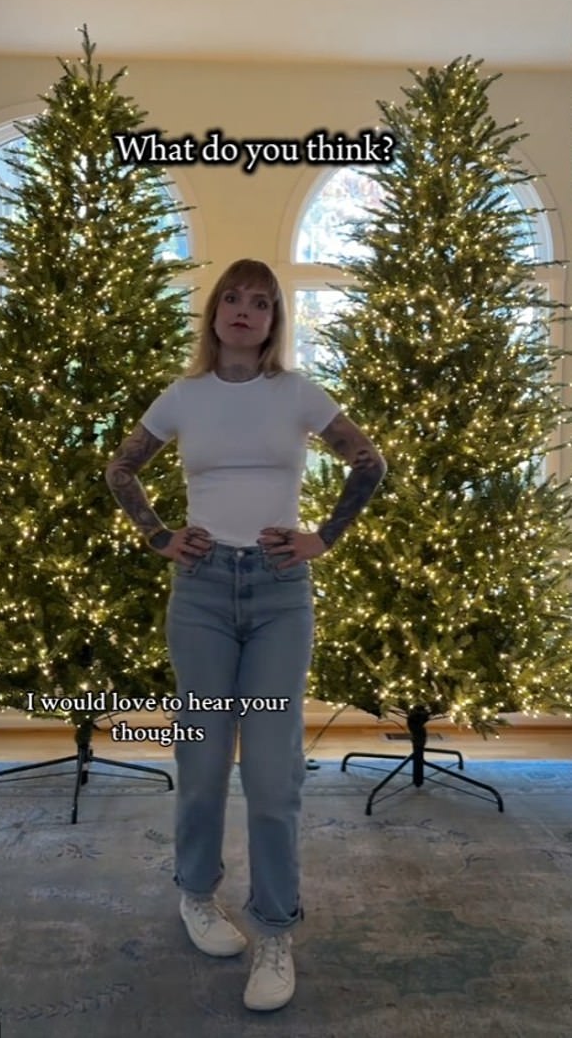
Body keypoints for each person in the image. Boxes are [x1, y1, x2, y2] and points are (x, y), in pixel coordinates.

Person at [105, 258, 386, 1012]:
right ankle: (196, 894)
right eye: (233, 297)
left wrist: (323, 536)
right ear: (215, 312)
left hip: (277, 595)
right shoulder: (183, 396)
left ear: (273, 322)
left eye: (261, 302)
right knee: (200, 763)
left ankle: (274, 930)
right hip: (199, 595)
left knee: (271, 773)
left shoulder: (296, 393)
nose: (244, 310)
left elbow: (369, 460)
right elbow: (121, 468)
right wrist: (159, 535)